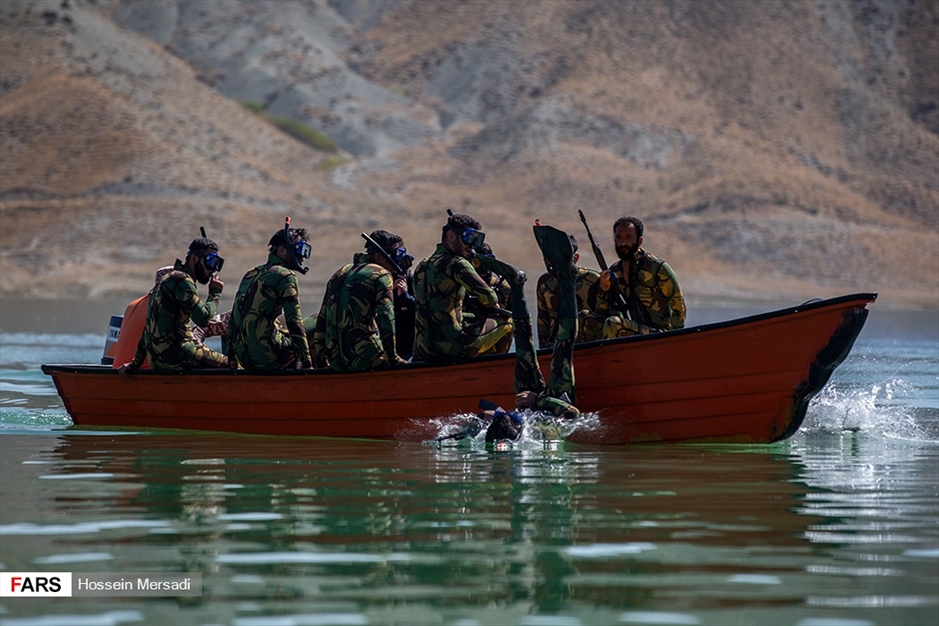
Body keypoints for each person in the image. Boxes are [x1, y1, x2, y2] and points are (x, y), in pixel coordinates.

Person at [474, 224, 582, 443]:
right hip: (554, 401)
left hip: (526, 400)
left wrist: (496, 416)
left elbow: (481, 415)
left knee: (524, 345)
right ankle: (568, 280)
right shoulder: (540, 433)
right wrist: (539, 399)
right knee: (562, 345)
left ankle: (516, 286)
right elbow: (572, 414)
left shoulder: (515, 424)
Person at [411, 212, 513, 362]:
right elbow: (489, 298)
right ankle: (496, 367)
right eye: (468, 237)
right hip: (453, 348)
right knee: (512, 320)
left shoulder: (421, 265)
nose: (472, 245)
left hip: (423, 350)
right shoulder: (457, 263)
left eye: (476, 240)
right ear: (451, 236)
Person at [118, 238, 229, 374]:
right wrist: (214, 293)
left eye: (216, 264)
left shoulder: (165, 281)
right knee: (231, 364)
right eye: (209, 261)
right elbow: (203, 319)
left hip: (157, 360)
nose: (211, 270)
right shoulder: (183, 281)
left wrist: (135, 363)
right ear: (194, 258)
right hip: (178, 357)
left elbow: (149, 328)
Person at [312, 230, 411, 372]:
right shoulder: (381, 275)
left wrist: (320, 363)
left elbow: (322, 319)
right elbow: (386, 319)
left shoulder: (339, 273)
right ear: (380, 256)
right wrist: (393, 358)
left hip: (336, 361)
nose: (399, 260)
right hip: (365, 358)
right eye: (396, 254)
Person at [227, 224, 314, 371]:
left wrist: (233, 367)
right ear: (281, 250)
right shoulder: (285, 275)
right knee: (318, 320)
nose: (303, 256)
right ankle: (320, 368)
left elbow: (233, 322)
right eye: (299, 249)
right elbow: (295, 323)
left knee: (282, 321)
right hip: (268, 358)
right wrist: (307, 366)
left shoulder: (251, 273)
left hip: (245, 360)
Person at [599, 216, 686, 337]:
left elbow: (678, 306)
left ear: (639, 241)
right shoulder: (614, 271)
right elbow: (603, 311)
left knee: (613, 323)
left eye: (628, 238)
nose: (623, 243)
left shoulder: (656, 267)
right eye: (619, 238)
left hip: (658, 333)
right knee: (585, 317)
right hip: (631, 329)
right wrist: (603, 289)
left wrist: (675, 340)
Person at [536, 234, 610, 348]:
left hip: (591, 344)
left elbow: (606, 315)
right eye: (548, 258)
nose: (551, 263)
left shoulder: (592, 279)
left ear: (575, 258)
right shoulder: (545, 283)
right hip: (558, 346)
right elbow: (543, 321)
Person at [468, 242, 513, 354]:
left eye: (488, 262)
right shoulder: (464, 284)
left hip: (497, 350)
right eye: (477, 262)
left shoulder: (504, 288)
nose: (483, 268)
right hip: (470, 341)